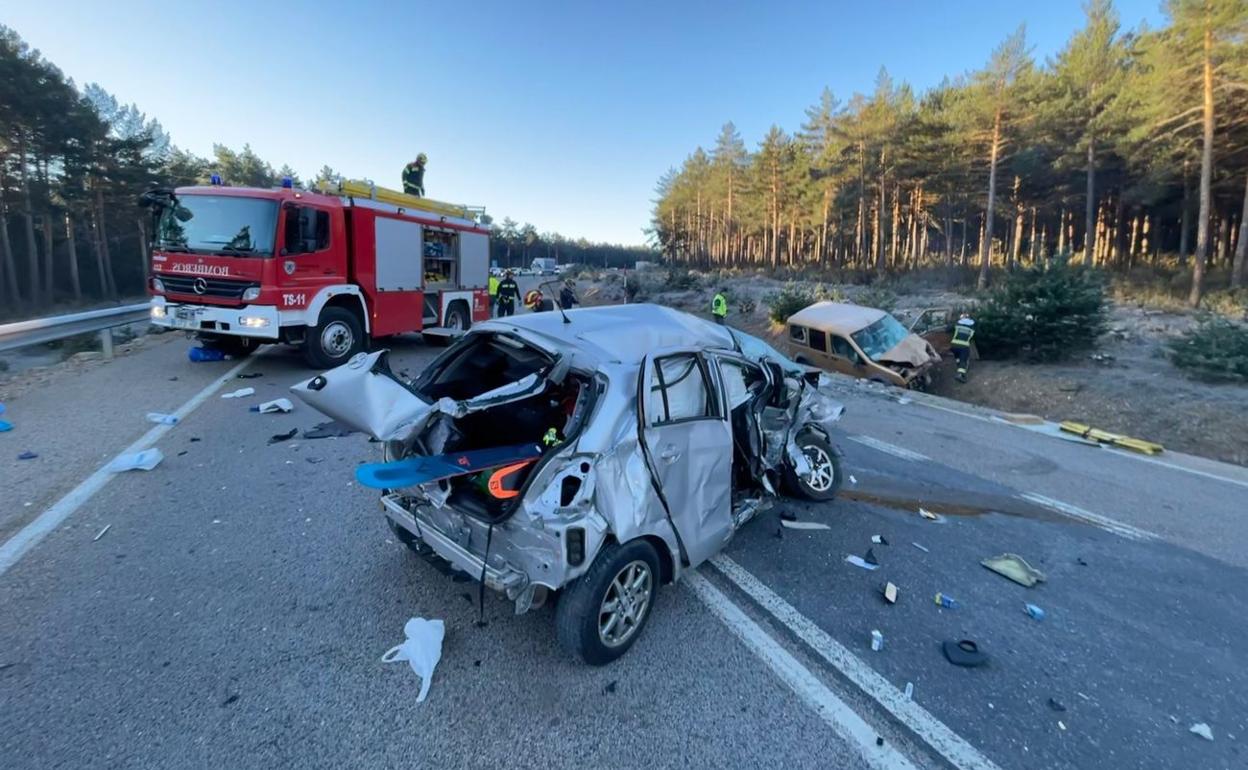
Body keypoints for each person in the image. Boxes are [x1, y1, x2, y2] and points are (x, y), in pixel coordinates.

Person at [950, 313, 975, 382]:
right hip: (964, 346)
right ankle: (960, 374)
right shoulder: (972, 327)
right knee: (963, 359)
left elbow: (948, 329)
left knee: (957, 357)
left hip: (954, 345)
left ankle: (959, 365)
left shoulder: (957, 325)